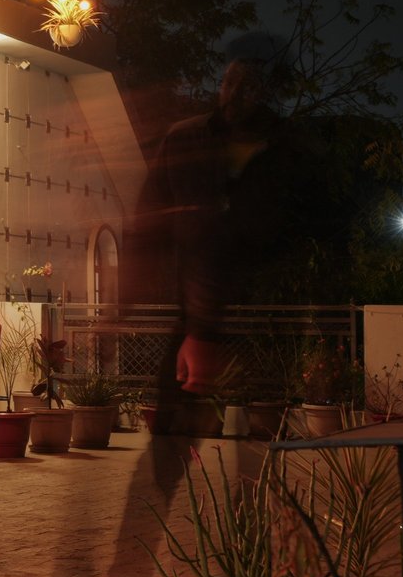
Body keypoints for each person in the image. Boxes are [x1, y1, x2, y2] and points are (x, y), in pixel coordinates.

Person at [129, 31, 307, 435]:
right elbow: (153, 224)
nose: (234, 95)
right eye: (229, 82)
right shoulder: (186, 139)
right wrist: (134, 291)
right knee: (174, 436)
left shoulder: (287, 150)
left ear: (268, 92)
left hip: (263, 321)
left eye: (249, 86)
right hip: (198, 316)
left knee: (259, 436)